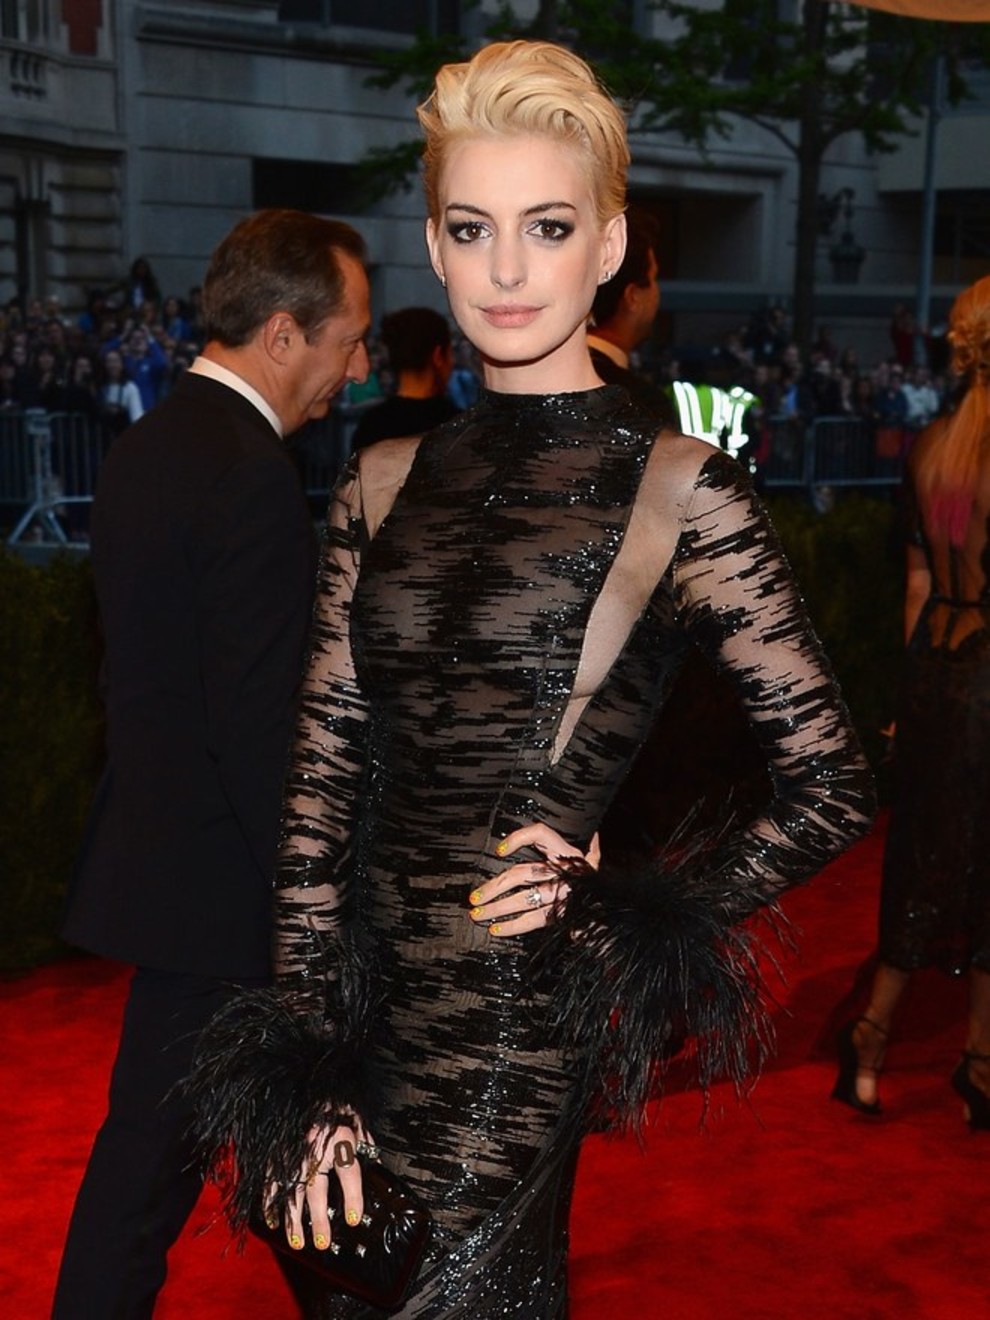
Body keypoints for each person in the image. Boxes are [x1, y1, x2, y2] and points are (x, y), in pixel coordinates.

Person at [192, 42, 874, 1317]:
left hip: (514, 1022)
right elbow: (318, 799)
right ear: (436, 249)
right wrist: (310, 1072)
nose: (507, 269)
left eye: (547, 227)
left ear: (606, 247)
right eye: (473, 228)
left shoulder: (683, 492)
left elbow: (830, 781)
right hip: (356, 1019)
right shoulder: (380, 484)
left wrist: (630, 909)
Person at [52, 207, 372, 1319]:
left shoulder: (147, 446)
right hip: (228, 900)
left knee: (276, 1159)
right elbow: (259, 727)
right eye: (349, 340)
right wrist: (316, 905)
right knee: (152, 1181)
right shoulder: (247, 474)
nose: (358, 368)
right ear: (283, 334)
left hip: (175, 871)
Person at [832, 275, 990, 1131]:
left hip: (935, 672)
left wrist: (908, 697)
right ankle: (977, 1060)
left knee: (924, 855)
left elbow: (919, 584)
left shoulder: (932, 447)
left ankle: (876, 1038)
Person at [586, 202, 672, 417]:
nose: (657, 292)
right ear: (632, 296)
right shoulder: (642, 403)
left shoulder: (536, 377)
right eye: (653, 279)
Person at [349, 305, 459, 450]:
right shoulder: (457, 424)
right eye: (451, 353)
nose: (453, 362)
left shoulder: (372, 425)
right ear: (438, 355)